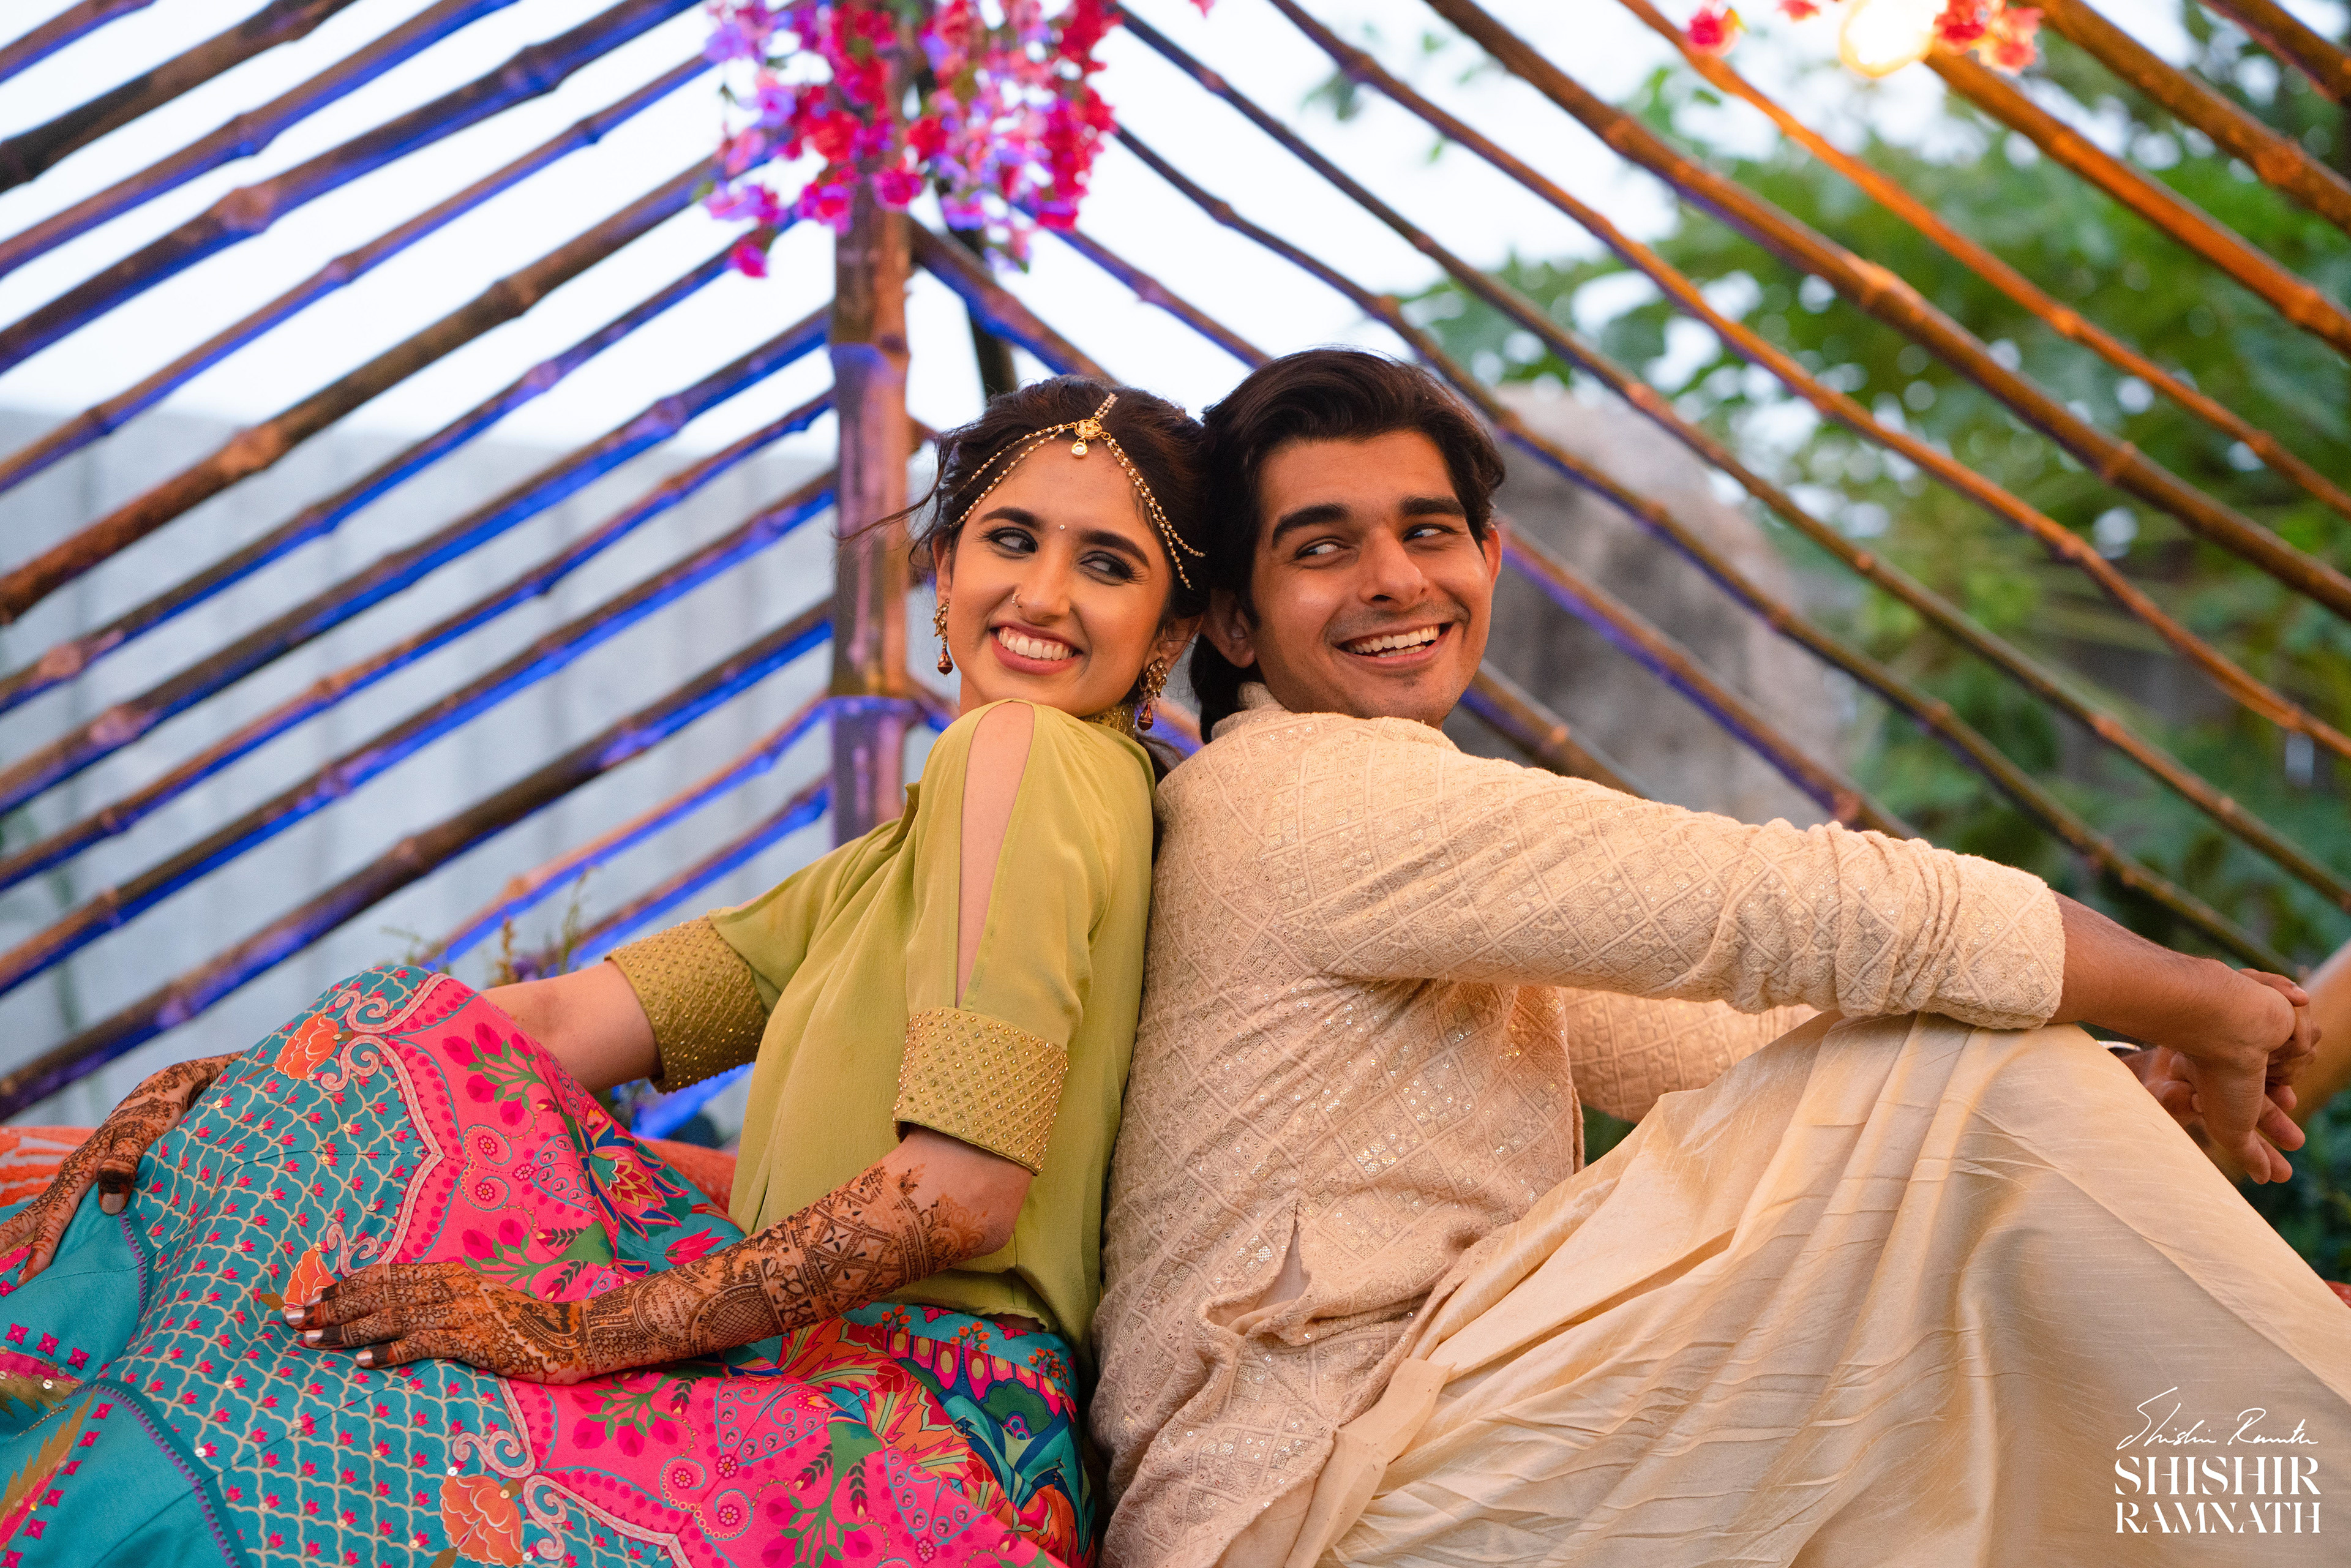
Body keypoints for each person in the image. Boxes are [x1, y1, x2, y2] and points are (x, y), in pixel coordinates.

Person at [1089, 350, 2347, 1567]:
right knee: (1966, 1075)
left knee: (1968, 1074)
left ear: (1490, 559)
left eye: (1429, 533)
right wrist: (2212, 1003)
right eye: (1323, 548)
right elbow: (1814, 907)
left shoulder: (1364, 833)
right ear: (1238, 626)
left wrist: (2115, 1085)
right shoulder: (1312, 796)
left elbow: (1728, 1051)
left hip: (1388, 1465)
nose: (1393, 579)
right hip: (1320, 1505)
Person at [0, 375, 1205, 1568]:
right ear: (944, 572)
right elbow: (566, 1022)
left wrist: (575, 1328)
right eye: (1011, 539)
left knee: (252, 1413)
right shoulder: (902, 864)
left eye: (1107, 564)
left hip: (895, 1439)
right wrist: (244, 1089)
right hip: (982, 1468)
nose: (1042, 593)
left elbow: (957, 1196)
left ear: (1173, 632)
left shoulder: (1023, 752)